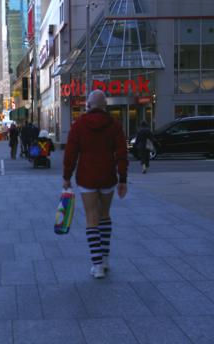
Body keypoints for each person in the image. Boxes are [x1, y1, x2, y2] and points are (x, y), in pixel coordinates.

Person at [63, 89, 128, 279]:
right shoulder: (114, 125)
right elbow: (122, 154)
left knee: (91, 217)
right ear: (105, 106)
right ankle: (106, 258)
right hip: (108, 176)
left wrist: (67, 176)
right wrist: (122, 178)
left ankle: (97, 265)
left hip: (86, 177)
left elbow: (71, 153)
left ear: (88, 105)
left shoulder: (79, 125)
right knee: (105, 215)